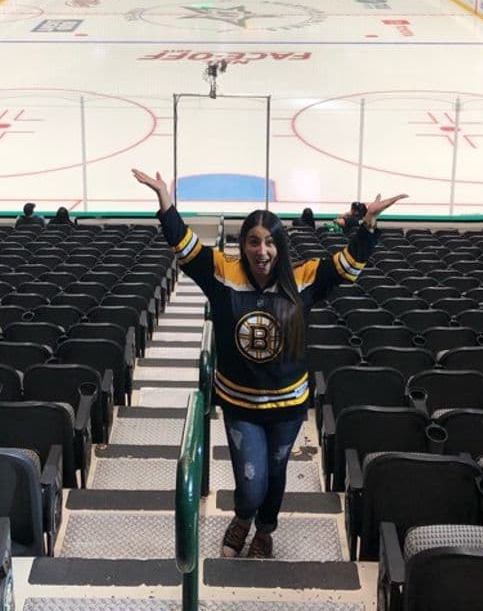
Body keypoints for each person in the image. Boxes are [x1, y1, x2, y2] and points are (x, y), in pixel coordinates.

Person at [132, 167, 406, 560]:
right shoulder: (222, 274)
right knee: (250, 480)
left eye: (270, 242)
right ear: (242, 245)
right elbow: (185, 247)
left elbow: (347, 266)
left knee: (275, 475)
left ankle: (265, 529)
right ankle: (244, 516)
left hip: (289, 406)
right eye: (254, 242)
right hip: (240, 404)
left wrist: (368, 224)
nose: (263, 251)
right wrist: (165, 202)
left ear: (281, 246)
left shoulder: (303, 279)